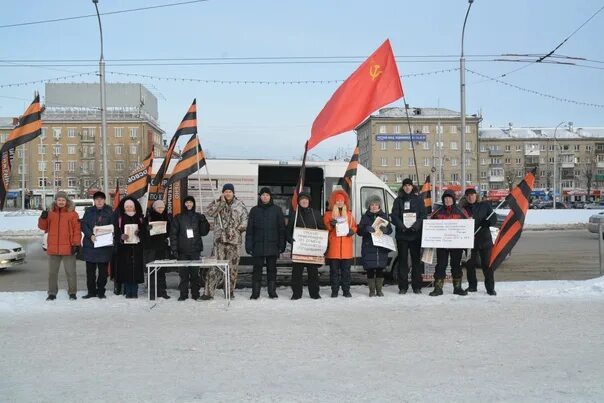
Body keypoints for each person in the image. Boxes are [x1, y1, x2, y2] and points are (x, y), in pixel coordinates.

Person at [203, 184, 248, 300]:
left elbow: (245, 220)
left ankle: (229, 292)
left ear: (233, 193)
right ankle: (208, 293)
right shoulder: (217, 202)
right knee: (214, 267)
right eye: (225, 191)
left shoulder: (240, 205)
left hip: (234, 242)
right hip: (219, 241)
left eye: (230, 191)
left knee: (232, 268)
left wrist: (237, 230)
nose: (228, 193)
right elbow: (209, 213)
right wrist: (221, 203)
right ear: (223, 193)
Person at [38, 191, 81, 301]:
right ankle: (52, 293)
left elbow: (77, 230)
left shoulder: (73, 214)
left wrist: (76, 244)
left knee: (71, 272)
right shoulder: (50, 213)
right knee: (52, 273)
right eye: (59, 200)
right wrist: (43, 217)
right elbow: (43, 227)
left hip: (68, 248)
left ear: (66, 201)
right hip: (53, 249)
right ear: (56, 201)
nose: (61, 202)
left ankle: (72, 292)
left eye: (63, 200)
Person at [245, 187, 286, 299]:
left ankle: (272, 292)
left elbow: (281, 229)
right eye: (263, 195)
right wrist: (248, 244)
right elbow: (250, 230)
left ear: (270, 196)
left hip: (273, 246)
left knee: (272, 270)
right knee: (257, 270)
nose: (265, 197)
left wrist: (282, 245)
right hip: (257, 246)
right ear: (260, 196)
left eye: (267, 195)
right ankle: (255, 293)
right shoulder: (254, 210)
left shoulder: (277, 210)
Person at [170, 196, 210, 301]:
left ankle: (195, 293)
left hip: (195, 250)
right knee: (183, 275)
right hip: (182, 250)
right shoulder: (178, 217)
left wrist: (204, 221)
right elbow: (173, 234)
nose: (188, 204)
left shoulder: (198, 217)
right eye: (187, 202)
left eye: (190, 202)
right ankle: (183, 294)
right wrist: (174, 249)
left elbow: (204, 232)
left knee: (194, 274)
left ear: (193, 204)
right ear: (184, 204)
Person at [429, 190, 469, 297]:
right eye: (445, 198)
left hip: (456, 244)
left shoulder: (461, 211)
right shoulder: (437, 212)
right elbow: (430, 225)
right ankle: (438, 288)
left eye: (449, 198)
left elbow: (467, 225)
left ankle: (457, 288)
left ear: (453, 199)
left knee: (456, 265)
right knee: (441, 265)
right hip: (442, 244)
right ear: (443, 200)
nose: (447, 200)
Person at [287, 192, 325, 300]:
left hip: (312, 250)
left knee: (313, 273)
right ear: (299, 202)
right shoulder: (294, 214)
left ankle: (314, 293)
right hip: (298, 249)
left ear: (309, 201)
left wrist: (321, 241)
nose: (304, 201)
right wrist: (291, 239)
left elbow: (322, 229)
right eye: (302, 200)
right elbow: (288, 231)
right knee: (297, 274)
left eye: (306, 199)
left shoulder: (316, 214)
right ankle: (296, 294)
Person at [460, 188, 498, 295]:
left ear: (476, 196)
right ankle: (472, 286)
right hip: (470, 241)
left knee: (487, 265)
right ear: (466, 197)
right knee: (470, 265)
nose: (470, 197)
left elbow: (493, 218)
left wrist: (488, 222)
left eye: (472, 195)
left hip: (485, 240)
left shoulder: (485, 206)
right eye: (468, 195)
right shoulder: (463, 209)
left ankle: (490, 288)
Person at [391, 178, 426, 294]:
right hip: (402, 236)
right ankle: (403, 287)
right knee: (402, 262)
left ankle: (417, 286)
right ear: (403, 187)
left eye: (409, 185)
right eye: (405, 185)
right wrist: (402, 226)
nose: (407, 187)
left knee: (416, 262)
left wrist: (416, 226)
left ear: (412, 187)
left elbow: (423, 215)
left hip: (415, 235)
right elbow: (394, 216)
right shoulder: (398, 200)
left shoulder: (419, 200)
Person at [323, 189, 357, 298]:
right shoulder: (328, 214)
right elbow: (325, 228)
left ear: (344, 202)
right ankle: (335, 291)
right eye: (337, 201)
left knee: (346, 272)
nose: (339, 202)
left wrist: (353, 231)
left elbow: (354, 226)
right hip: (334, 248)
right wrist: (331, 225)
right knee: (334, 272)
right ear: (334, 202)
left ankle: (346, 290)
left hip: (346, 249)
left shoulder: (349, 214)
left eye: (341, 201)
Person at [80, 191, 114, 299]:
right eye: (97, 199)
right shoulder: (89, 211)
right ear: (94, 201)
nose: (99, 201)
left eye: (101, 199)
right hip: (90, 246)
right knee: (90, 272)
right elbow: (84, 225)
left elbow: (113, 226)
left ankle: (101, 292)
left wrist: (111, 234)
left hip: (104, 247)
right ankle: (91, 292)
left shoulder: (110, 212)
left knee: (103, 273)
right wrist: (90, 235)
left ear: (104, 200)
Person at [357, 195, 393, 297]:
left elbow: (390, 230)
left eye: (376, 204)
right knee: (370, 269)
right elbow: (359, 231)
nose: (374, 207)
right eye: (372, 205)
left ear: (379, 206)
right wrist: (366, 229)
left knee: (380, 269)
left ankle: (379, 290)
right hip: (369, 247)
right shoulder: (365, 217)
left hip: (381, 247)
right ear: (369, 206)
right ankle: (372, 291)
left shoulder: (384, 216)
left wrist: (386, 230)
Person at [113, 197, 146, 299]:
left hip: (137, 248)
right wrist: (121, 237)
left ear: (134, 207)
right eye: (127, 206)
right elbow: (116, 232)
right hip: (124, 249)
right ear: (124, 207)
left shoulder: (140, 217)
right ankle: (128, 291)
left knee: (135, 270)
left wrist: (140, 233)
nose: (129, 208)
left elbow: (145, 232)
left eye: (130, 206)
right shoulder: (120, 218)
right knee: (126, 270)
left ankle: (134, 292)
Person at [143, 200, 172, 300]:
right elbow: (142, 234)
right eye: (158, 207)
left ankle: (162, 291)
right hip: (151, 249)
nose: (160, 209)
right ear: (154, 208)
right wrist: (147, 229)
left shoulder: (167, 218)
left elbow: (169, 232)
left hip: (162, 248)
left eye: (162, 207)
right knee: (152, 271)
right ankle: (152, 293)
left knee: (161, 271)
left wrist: (168, 236)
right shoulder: (148, 218)